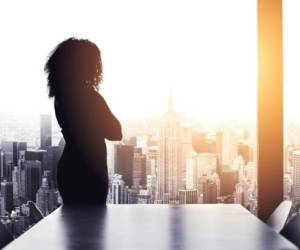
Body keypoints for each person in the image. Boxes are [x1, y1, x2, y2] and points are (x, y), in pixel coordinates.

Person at [44, 37, 122, 205]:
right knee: (94, 225)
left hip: (69, 168)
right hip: (91, 170)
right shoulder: (90, 98)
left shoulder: (60, 97)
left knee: (74, 226)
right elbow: (116, 132)